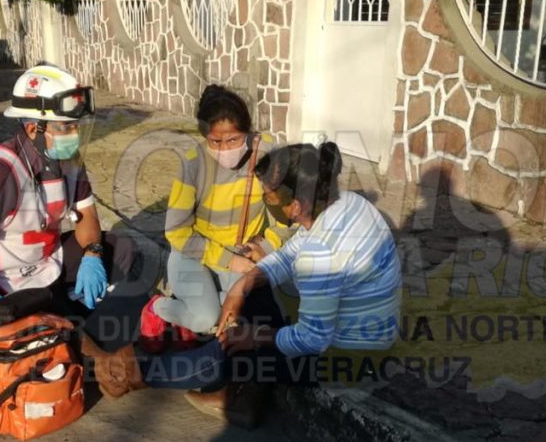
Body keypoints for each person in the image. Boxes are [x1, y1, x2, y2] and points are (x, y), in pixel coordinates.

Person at [82, 142, 402, 427]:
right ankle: (246, 391)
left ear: (295, 206)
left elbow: (311, 340)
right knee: (250, 300)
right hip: (365, 334)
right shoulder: (344, 203)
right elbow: (292, 251)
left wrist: (254, 338)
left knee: (229, 345)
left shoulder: (322, 254)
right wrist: (243, 285)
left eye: (270, 196)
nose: (265, 200)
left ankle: (139, 376)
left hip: (346, 357)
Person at [0, 64, 145, 352]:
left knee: (120, 247)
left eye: (76, 126)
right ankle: (42, 320)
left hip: (48, 264)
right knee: (34, 336)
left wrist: (93, 254)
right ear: (32, 128)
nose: (74, 134)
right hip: (4, 282)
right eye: (65, 127)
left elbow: (88, 216)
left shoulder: (69, 161)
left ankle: (69, 319)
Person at [142, 85, 290, 340]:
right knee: (206, 319)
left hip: (243, 256)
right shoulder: (193, 164)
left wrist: (267, 246)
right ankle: (157, 307)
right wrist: (229, 261)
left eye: (233, 140)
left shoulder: (268, 155)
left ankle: (198, 307)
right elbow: (176, 231)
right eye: (215, 141)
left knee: (243, 314)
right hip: (194, 255)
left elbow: (288, 218)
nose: (224, 149)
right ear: (204, 136)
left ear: (247, 130)